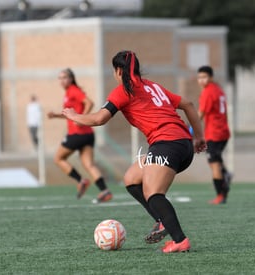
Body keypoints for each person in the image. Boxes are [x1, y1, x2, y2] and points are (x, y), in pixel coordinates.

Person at [62, 51, 206, 253]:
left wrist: (73, 115)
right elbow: (189, 105)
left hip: (166, 143)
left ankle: (180, 240)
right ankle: (162, 220)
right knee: (131, 178)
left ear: (118, 70)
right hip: (182, 144)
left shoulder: (123, 91)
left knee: (154, 193)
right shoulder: (153, 86)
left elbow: (98, 119)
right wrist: (198, 137)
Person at [47, 68, 112, 203]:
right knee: (89, 164)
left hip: (77, 134)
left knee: (58, 158)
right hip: (88, 134)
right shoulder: (68, 93)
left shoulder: (73, 90)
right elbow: (71, 115)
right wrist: (56, 115)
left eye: (64, 77)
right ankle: (105, 191)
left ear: (71, 78)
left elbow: (89, 103)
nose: (62, 80)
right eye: (60, 78)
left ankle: (80, 180)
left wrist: (81, 119)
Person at [197, 65, 232, 205]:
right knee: (215, 160)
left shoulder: (208, 92)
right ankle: (226, 175)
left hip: (215, 133)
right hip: (223, 131)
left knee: (214, 163)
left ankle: (220, 195)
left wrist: (190, 129)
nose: (201, 80)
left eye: (204, 77)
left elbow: (201, 113)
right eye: (199, 77)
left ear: (211, 78)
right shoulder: (219, 90)